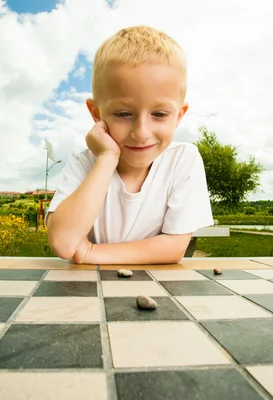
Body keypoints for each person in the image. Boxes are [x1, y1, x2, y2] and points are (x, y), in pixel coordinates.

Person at [46, 25, 213, 265]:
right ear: (96, 113)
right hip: (87, 290)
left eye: (159, 114)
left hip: (158, 291)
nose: (142, 133)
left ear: (179, 115)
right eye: (123, 113)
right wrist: (106, 159)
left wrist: (92, 253)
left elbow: (175, 247)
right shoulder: (85, 162)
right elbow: (63, 242)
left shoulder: (183, 159)